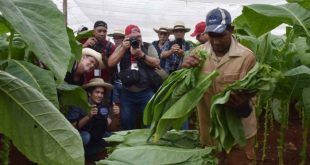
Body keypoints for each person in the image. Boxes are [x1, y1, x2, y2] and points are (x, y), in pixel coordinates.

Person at [182, 8, 257, 164]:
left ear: (231, 29)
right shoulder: (197, 53)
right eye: (212, 35)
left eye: (221, 35)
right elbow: (185, 91)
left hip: (239, 134)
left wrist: (243, 106)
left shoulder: (246, 56)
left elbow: (254, 97)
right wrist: (183, 72)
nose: (215, 41)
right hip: (209, 134)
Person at [108, 24, 160, 130]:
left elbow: (157, 62)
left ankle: (147, 144)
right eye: (133, 37)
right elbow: (111, 63)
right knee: (126, 121)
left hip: (146, 91)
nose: (137, 39)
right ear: (127, 38)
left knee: (149, 121)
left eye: (139, 36)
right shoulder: (122, 47)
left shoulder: (148, 46)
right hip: (127, 92)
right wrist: (123, 48)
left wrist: (142, 55)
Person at [66, 78, 119, 161]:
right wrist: (88, 116)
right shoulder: (78, 104)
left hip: (96, 135)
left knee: (110, 137)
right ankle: (80, 154)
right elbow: (71, 127)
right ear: (89, 93)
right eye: (97, 92)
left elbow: (110, 128)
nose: (100, 95)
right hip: (82, 135)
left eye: (102, 93)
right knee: (86, 137)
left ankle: (90, 153)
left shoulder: (103, 106)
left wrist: (115, 116)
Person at [107, 29, 125, 131]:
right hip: (116, 83)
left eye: (119, 38)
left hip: (126, 84)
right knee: (115, 106)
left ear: (124, 39)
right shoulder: (112, 51)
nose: (117, 40)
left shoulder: (129, 50)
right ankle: (116, 128)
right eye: (115, 38)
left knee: (125, 107)